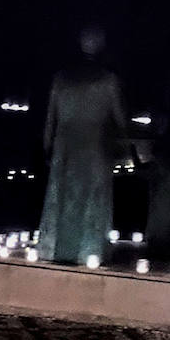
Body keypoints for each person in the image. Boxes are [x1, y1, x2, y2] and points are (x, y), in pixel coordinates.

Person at [38, 26, 127, 266]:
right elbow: (119, 119)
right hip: (93, 145)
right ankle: (88, 250)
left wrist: (47, 147)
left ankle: (57, 248)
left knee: (65, 198)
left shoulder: (62, 78)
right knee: (90, 198)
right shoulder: (108, 79)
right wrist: (125, 148)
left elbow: (50, 119)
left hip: (66, 146)